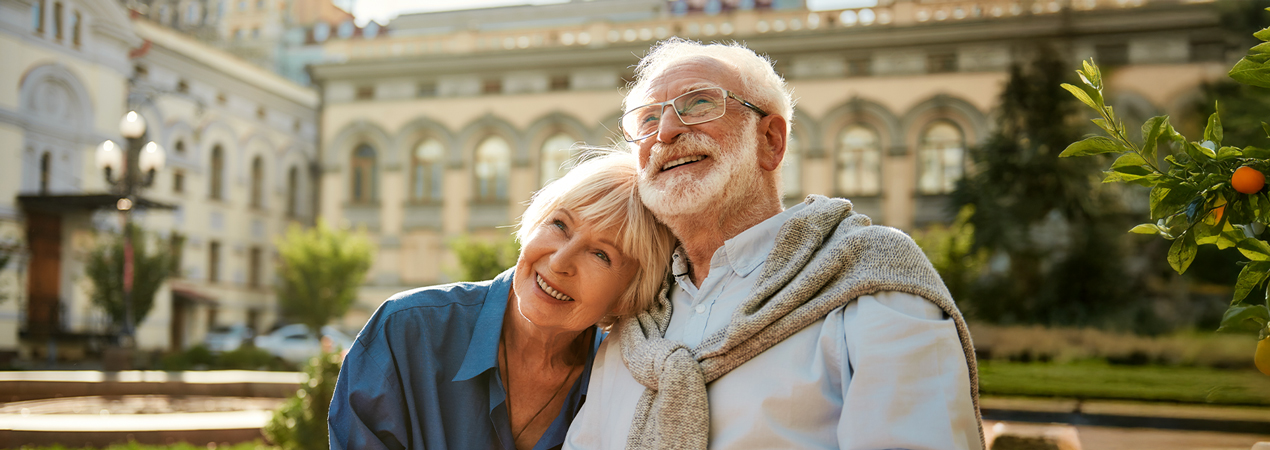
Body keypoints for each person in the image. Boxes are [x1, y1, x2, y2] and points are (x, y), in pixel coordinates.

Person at [564, 38, 985, 449]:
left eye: (699, 104)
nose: (667, 131)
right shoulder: (634, 320)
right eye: (648, 120)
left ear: (771, 141)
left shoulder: (873, 277)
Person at [329, 151, 676, 450]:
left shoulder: (624, 382)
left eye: (601, 255)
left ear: (629, 294)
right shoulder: (407, 330)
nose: (558, 262)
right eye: (559, 225)